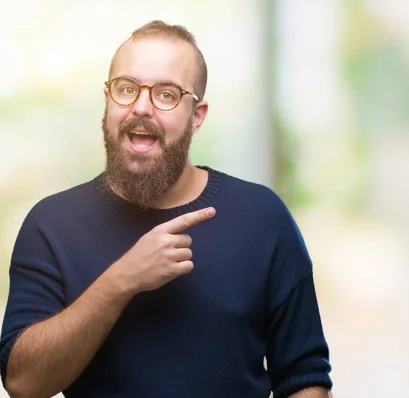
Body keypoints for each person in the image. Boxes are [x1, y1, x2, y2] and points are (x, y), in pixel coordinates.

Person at [0, 20, 332, 398]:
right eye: (126, 89)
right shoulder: (51, 224)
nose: (141, 107)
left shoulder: (263, 217)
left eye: (166, 95)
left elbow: (305, 380)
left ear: (198, 115)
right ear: (107, 102)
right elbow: (23, 384)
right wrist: (120, 281)